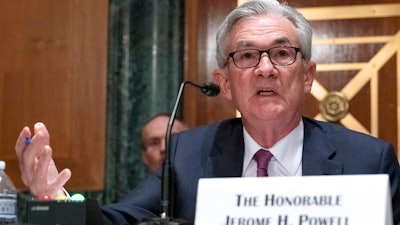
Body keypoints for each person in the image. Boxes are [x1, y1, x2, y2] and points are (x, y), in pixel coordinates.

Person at [14, 0, 400, 224]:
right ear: (226, 82)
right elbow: (120, 220)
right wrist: (54, 199)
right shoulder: (187, 154)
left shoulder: (368, 158)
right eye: (247, 55)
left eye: (282, 53)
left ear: (307, 76)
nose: (265, 68)